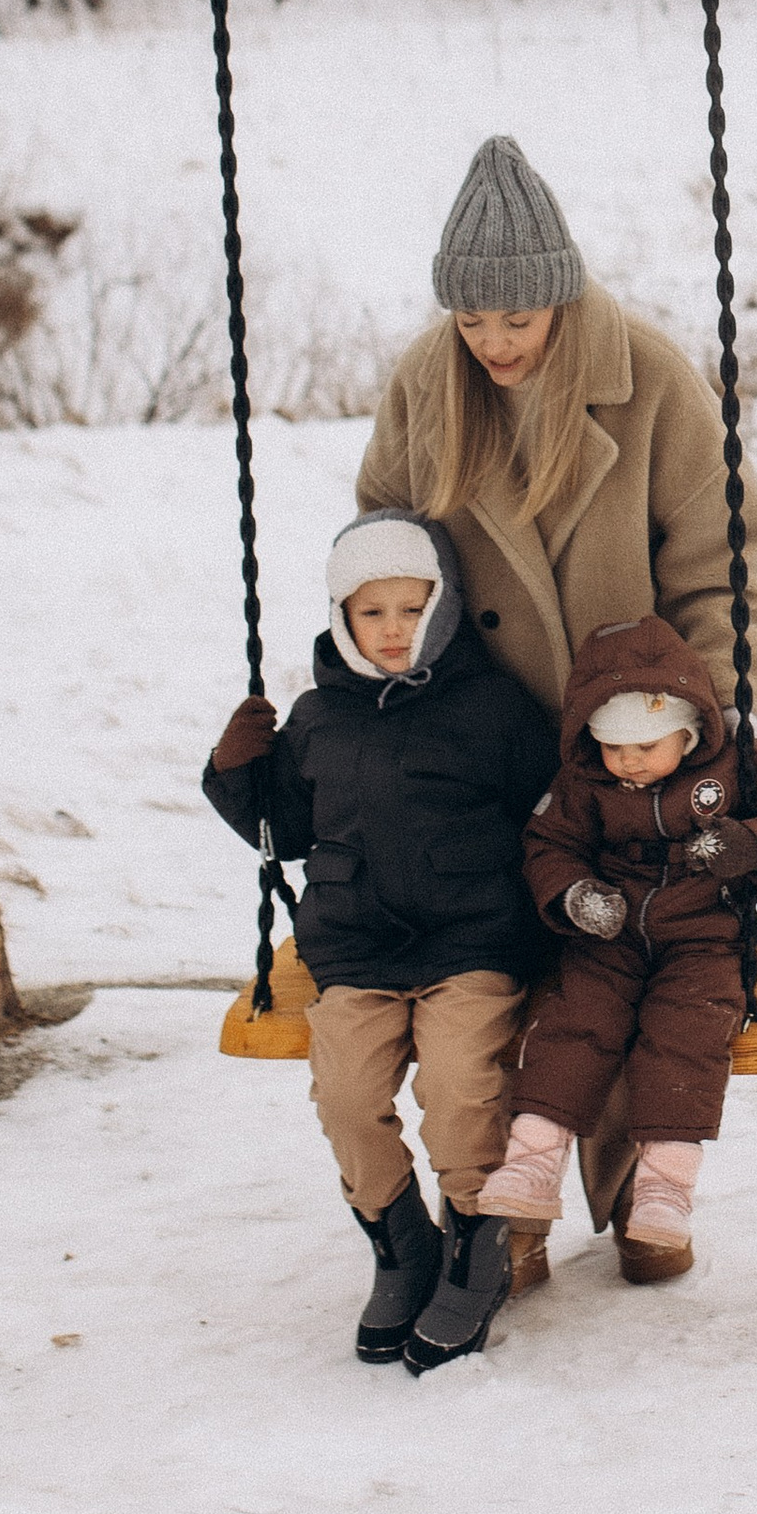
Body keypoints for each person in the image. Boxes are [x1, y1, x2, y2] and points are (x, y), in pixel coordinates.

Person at [356, 133, 757, 1233]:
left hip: (629, 735)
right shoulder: (427, 382)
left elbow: (717, 557)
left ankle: (641, 1198)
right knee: (508, 970)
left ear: (560, 295)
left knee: (634, 957)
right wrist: (378, 689)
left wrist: (718, 720)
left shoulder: (648, 379)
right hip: (477, 733)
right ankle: (506, 1217)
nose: (492, 343)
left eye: (515, 318)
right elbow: (385, 542)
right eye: (471, 319)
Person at [202, 511, 556, 1374]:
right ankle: (403, 1251)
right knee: (346, 1095)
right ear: (341, 617)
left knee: (462, 1086)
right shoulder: (320, 718)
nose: (392, 631)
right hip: (355, 944)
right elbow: (280, 829)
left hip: (472, 940)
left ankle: (477, 1251)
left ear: (442, 609)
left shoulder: (494, 707)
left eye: (410, 609)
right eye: (372, 614)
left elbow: (546, 816)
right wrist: (234, 770)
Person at [474, 616, 757, 1283]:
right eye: (612, 747)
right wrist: (577, 894)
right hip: (610, 937)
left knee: (685, 1042)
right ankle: (530, 1166)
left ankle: (664, 1192)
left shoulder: (737, 762)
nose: (628, 762)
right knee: (574, 1031)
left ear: (688, 729)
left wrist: (747, 846)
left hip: (705, 938)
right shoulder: (584, 782)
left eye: (645, 746)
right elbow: (548, 844)